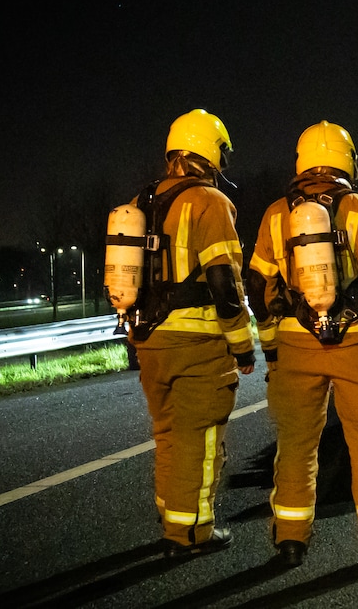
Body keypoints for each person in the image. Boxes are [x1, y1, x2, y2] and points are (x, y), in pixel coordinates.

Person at [246, 120, 358, 567]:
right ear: (348, 161)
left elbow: (254, 284)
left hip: (295, 345)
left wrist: (271, 346)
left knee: (298, 443)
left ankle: (290, 541)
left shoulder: (275, 213)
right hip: (355, 342)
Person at [127, 109, 256, 558]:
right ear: (211, 150)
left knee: (167, 432)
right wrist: (242, 343)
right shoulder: (209, 202)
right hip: (197, 343)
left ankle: (172, 514)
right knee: (200, 438)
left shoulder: (143, 201)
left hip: (149, 339)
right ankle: (191, 532)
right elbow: (224, 281)